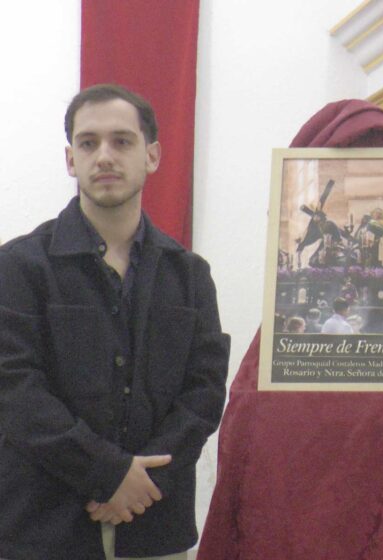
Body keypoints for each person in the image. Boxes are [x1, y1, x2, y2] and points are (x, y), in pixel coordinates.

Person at [0, 84, 230, 560]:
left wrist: (141, 484)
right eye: (88, 143)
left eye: (122, 141)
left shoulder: (190, 276)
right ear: (71, 159)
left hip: (155, 525)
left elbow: (204, 392)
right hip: (42, 528)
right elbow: (15, 389)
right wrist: (108, 474)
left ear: (152, 154)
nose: (104, 155)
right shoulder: (17, 267)